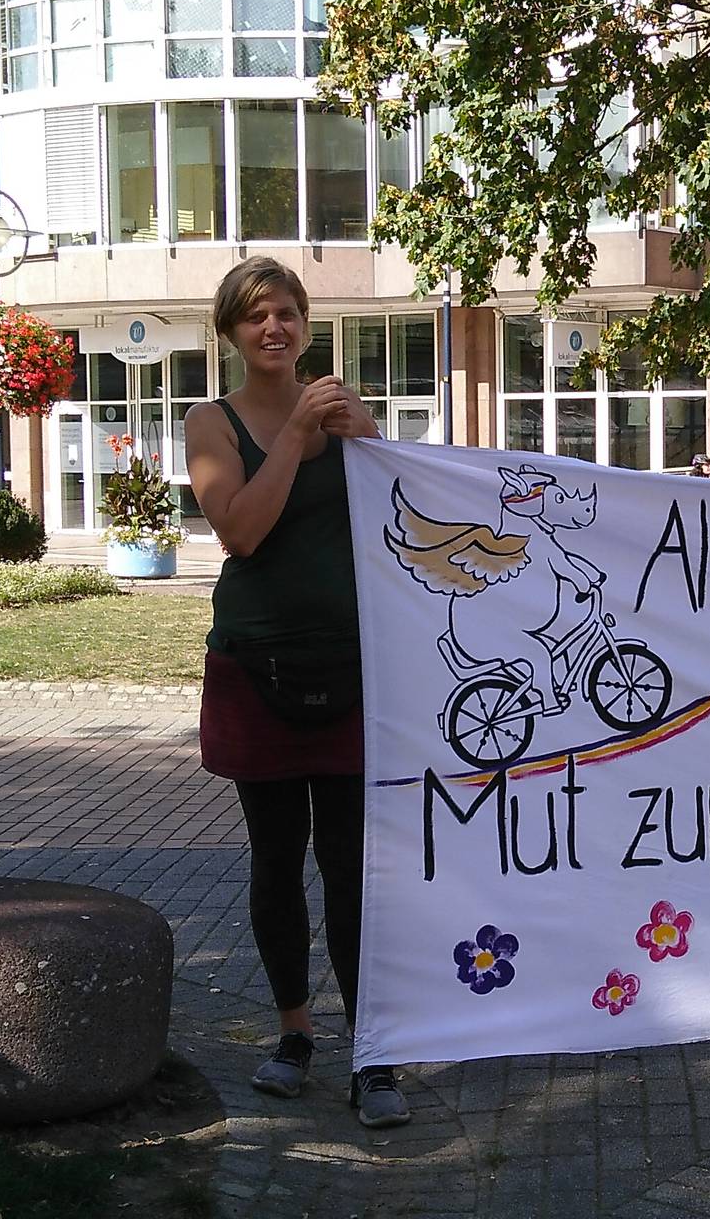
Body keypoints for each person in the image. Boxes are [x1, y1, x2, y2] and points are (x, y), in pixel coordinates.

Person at [181, 257, 410, 1129]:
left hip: (355, 668)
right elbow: (238, 530)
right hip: (258, 669)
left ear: (306, 322)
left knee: (353, 872)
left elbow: (398, 513)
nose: (272, 328)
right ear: (231, 332)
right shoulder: (212, 420)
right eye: (254, 317)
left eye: (285, 313)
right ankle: (292, 1034)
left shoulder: (342, 411)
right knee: (276, 862)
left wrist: (367, 438)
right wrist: (292, 439)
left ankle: (372, 1052)